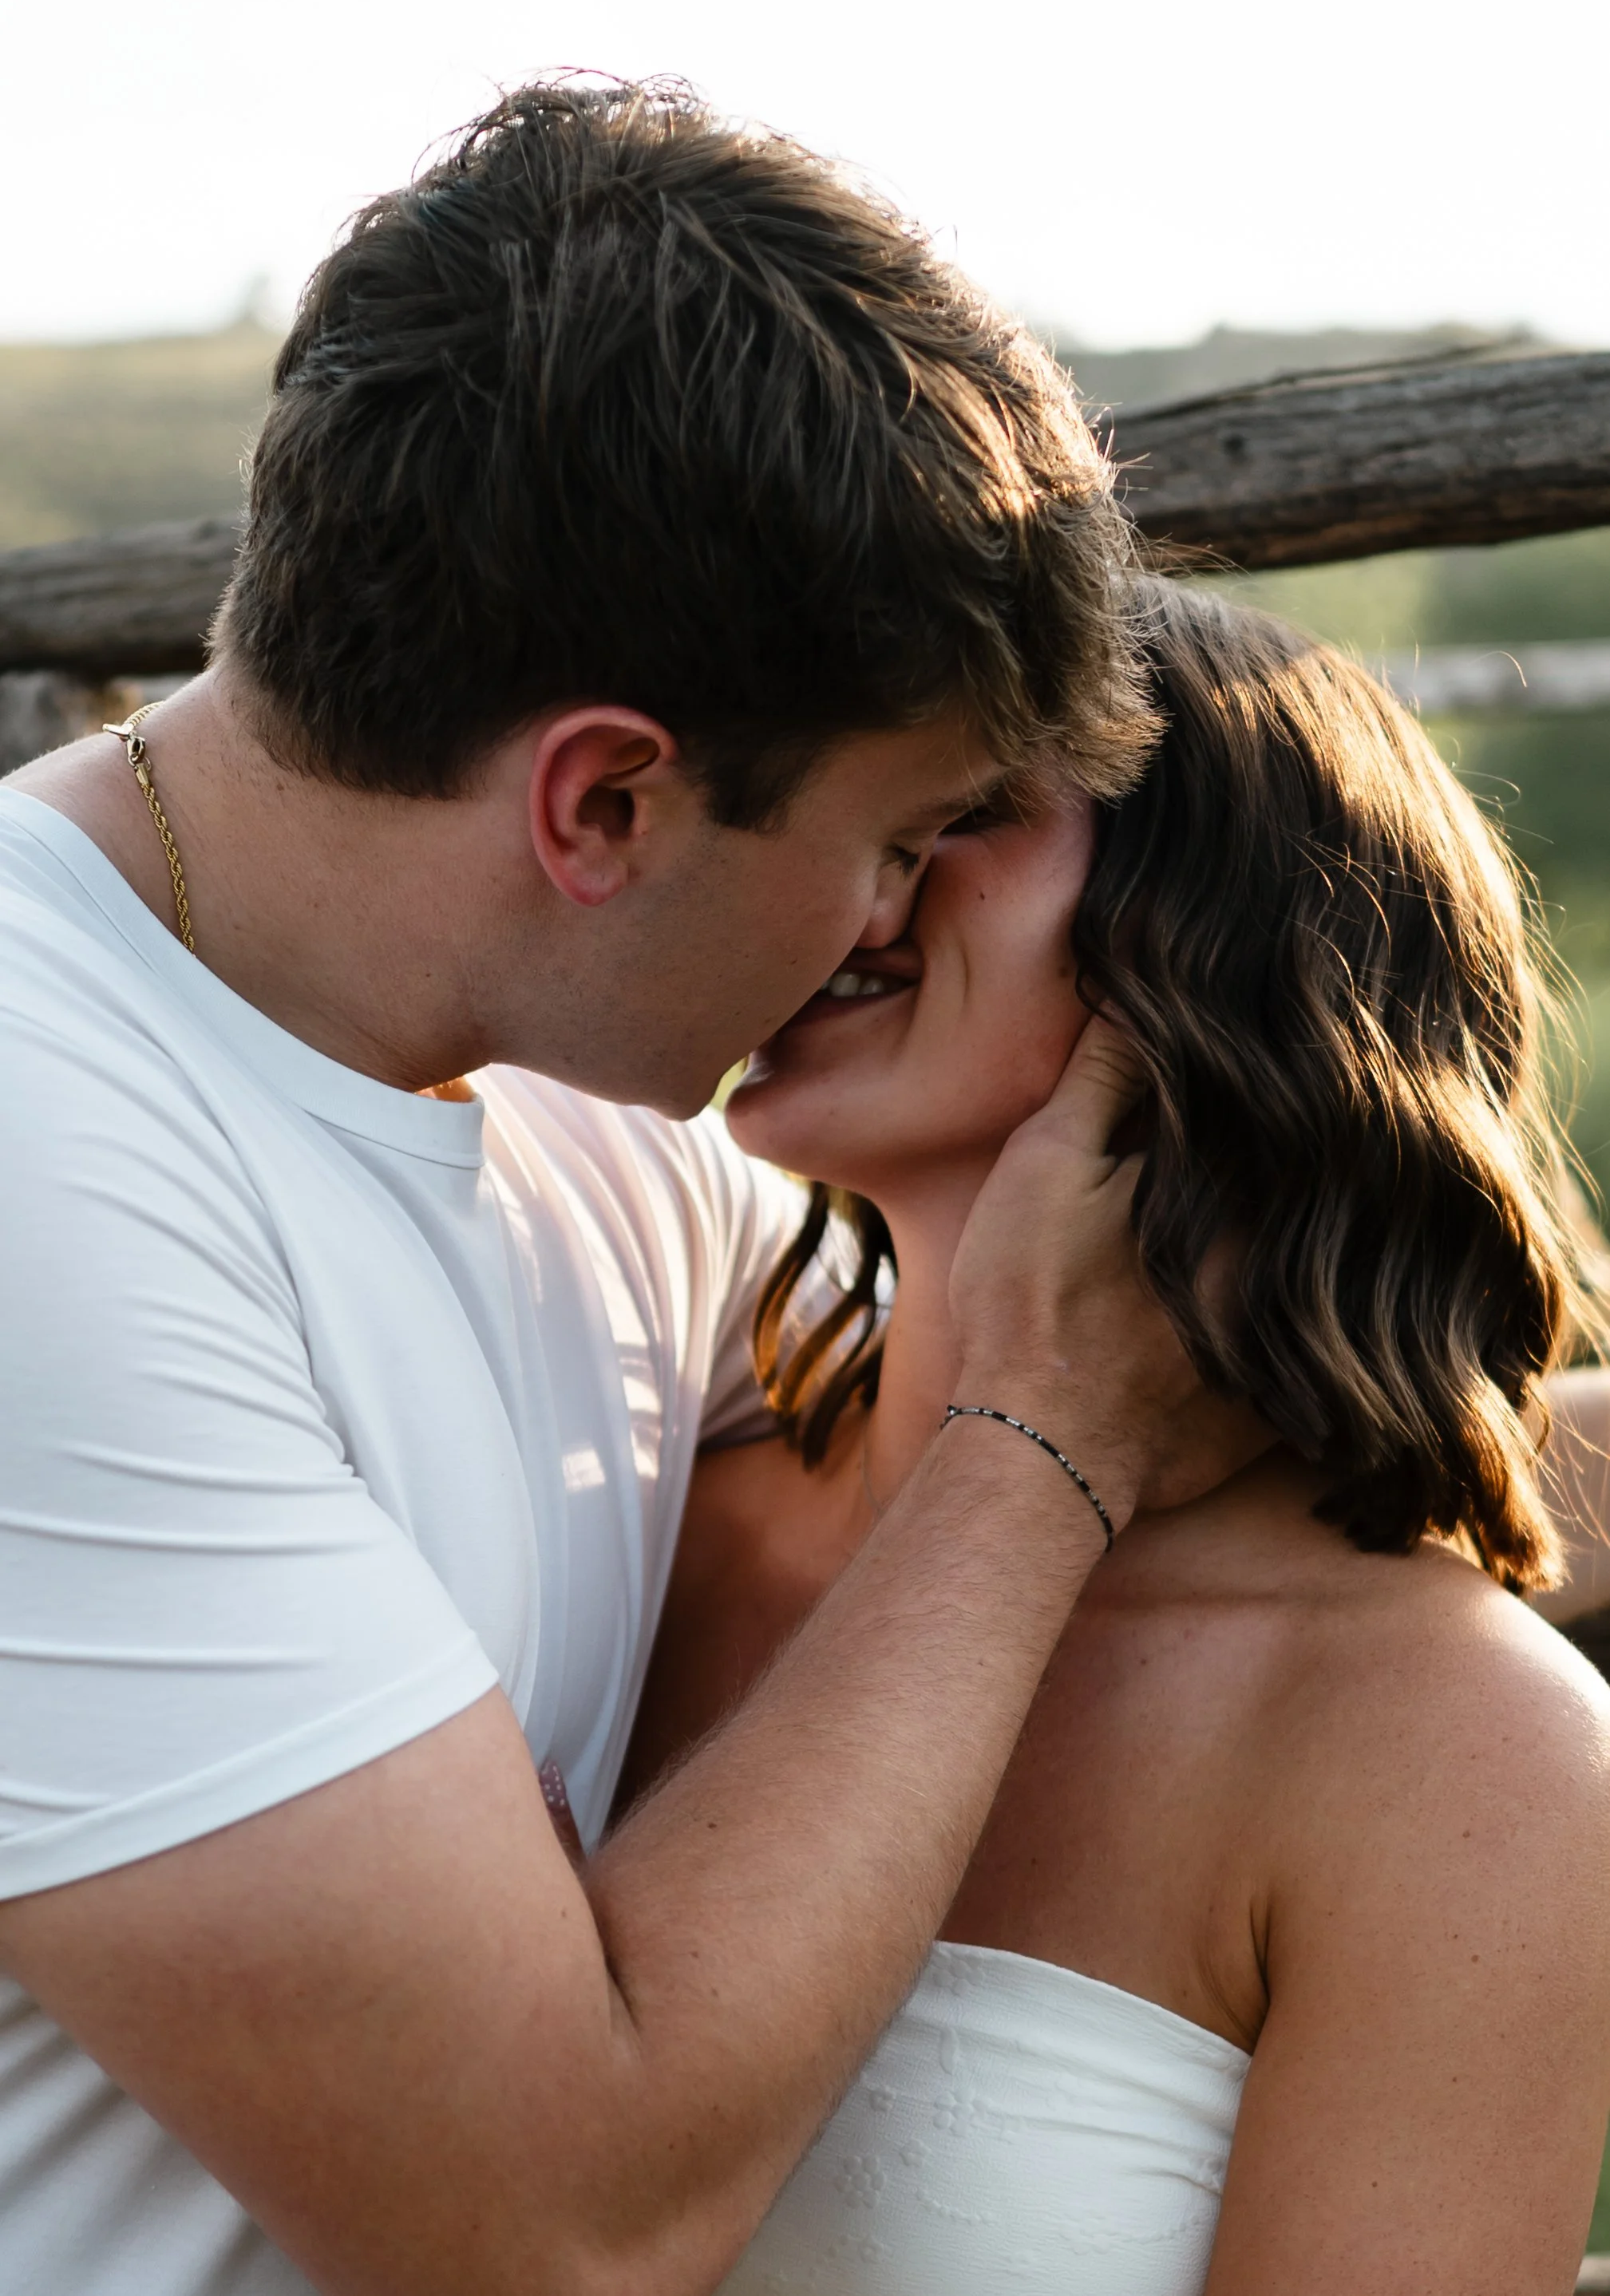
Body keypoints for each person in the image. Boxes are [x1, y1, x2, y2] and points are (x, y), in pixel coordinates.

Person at [0, 83, 1260, 2296]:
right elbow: (554, 2223)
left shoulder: (577, 1106)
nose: (886, 920)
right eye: (892, 837)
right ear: (603, 805)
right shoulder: (49, 1158)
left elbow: (1148, 1390)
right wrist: (1041, 1444)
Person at [623, 580, 1610, 2296]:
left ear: (1225, 943)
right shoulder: (630, 1502)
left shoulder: (1476, 1761)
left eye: (961, 811)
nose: (842, 865)